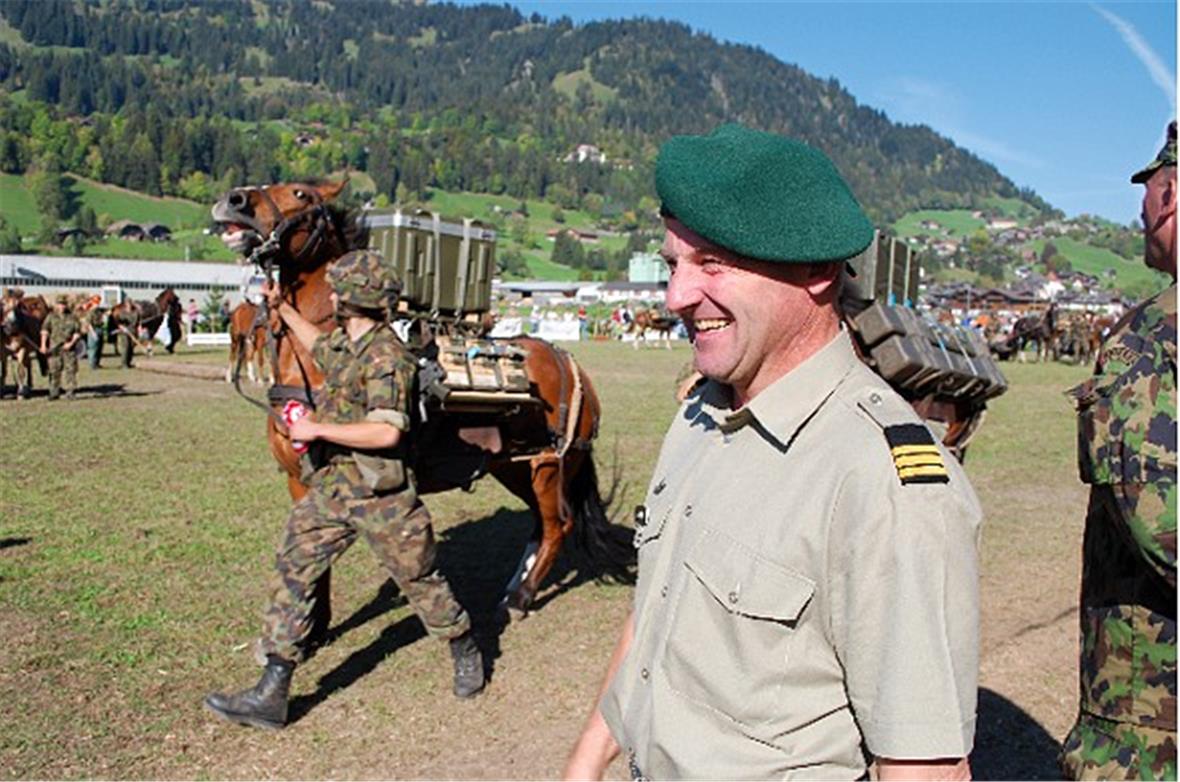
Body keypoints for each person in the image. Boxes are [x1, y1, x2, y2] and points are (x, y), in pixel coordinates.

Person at [564, 124, 983, 780]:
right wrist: (584, 765)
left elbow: (924, 766)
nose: (676, 296)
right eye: (674, 263)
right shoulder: (701, 411)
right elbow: (656, 606)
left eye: (713, 264)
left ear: (817, 271)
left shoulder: (882, 481)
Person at [205, 249, 484, 731]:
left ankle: (463, 643)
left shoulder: (386, 358)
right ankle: (273, 689)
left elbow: (386, 432)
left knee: (420, 579)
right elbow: (319, 347)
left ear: (356, 298)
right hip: (333, 487)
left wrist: (316, 430)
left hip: (381, 496)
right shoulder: (348, 343)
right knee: (294, 565)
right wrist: (283, 309)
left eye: (338, 289)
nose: (330, 294)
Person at [1060, 121, 1177, 780]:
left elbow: (1160, 518)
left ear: (1169, 195)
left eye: (1149, 188)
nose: (1140, 211)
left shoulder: (1152, 338)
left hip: (1153, 726)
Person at [40, 294, 82, 400]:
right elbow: (45, 331)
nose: (62, 306)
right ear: (56, 305)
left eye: (63, 304)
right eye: (60, 304)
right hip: (54, 348)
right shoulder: (51, 316)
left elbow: (77, 333)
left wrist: (71, 343)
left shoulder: (72, 317)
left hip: (68, 348)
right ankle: (54, 392)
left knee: (70, 370)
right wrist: (43, 345)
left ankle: (70, 392)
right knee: (54, 371)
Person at [114, 300, 138, 368]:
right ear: (125, 305)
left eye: (130, 304)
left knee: (131, 347)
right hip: (124, 332)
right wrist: (121, 326)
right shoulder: (122, 313)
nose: (129, 306)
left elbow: (137, 323)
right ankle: (124, 364)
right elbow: (118, 322)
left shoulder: (135, 312)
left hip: (132, 331)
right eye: (128, 304)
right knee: (125, 347)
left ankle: (128, 362)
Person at [84, 304, 105, 369]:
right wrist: (93, 333)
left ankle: (97, 363)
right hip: (93, 330)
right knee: (93, 348)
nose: (97, 305)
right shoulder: (90, 312)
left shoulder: (99, 312)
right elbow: (88, 324)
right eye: (96, 303)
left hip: (100, 329)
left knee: (99, 347)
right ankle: (92, 364)